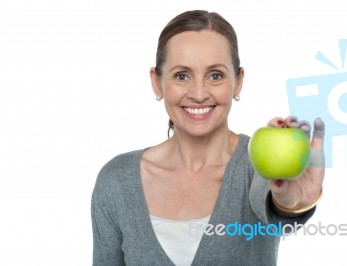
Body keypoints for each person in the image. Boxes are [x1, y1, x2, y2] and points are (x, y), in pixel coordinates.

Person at [91, 10, 325, 266]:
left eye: (215, 75)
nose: (199, 93)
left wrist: (292, 202)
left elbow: (277, 203)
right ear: (157, 82)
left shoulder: (256, 167)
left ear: (238, 82)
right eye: (182, 75)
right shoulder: (116, 181)